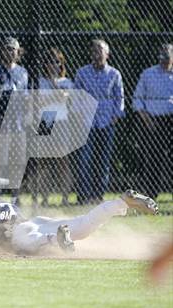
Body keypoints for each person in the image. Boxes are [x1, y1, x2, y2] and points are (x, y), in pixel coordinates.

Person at [0, 178, 158, 254]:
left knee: (28, 244)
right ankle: (120, 202)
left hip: (21, 230)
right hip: (36, 221)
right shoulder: (2, 204)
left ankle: (56, 239)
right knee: (83, 224)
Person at [75, 40, 124, 205]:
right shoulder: (82, 73)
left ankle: (98, 196)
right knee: (84, 161)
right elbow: (76, 96)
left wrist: (116, 116)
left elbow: (120, 97)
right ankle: (83, 197)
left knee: (103, 162)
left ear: (107, 54)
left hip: (107, 122)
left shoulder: (114, 74)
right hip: (86, 123)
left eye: (100, 51)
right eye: (94, 51)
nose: (96, 54)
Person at [0, 37, 29, 204]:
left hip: (18, 125)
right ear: (2, 52)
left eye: (13, 49)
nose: (10, 52)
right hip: (0, 126)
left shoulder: (23, 73)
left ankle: (15, 198)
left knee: (18, 162)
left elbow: (26, 98)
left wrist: (26, 118)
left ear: (18, 52)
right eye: (7, 48)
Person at [34, 48, 74, 207]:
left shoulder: (67, 82)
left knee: (63, 161)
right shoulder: (39, 81)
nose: (53, 64)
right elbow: (38, 102)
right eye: (50, 61)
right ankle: (44, 199)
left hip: (61, 122)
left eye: (57, 62)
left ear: (61, 64)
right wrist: (55, 96)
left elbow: (65, 97)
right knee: (43, 161)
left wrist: (53, 84)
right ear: (45, 63)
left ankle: (65, 198)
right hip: (45, 121)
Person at [132, 43, 173, 199]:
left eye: (168, 56)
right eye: (162, 55)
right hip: (152, 122)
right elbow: (137, 99)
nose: (164, 59)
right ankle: (151, 194)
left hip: (171, 120)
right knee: (153, 158)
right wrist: (146, 119)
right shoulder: (148, 74)